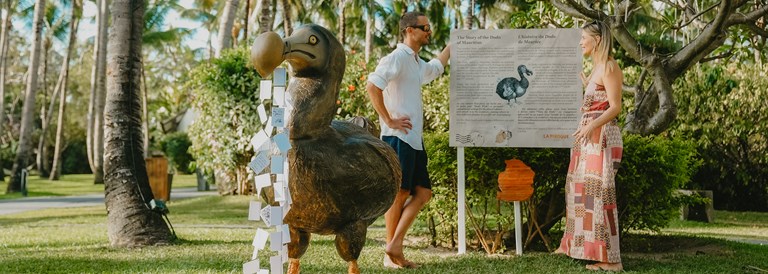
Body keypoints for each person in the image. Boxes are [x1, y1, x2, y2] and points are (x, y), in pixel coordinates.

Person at [365, 11, 450, 269]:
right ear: (409, 30)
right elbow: (373, 85)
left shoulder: (414, 62)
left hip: (413, 139)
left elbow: (435, 68)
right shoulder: (397, 58)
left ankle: (394, 245)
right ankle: (391, 253)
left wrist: (451, 47)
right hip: (397, 138)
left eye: (429, 27)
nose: (429, 31)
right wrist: (389, 120)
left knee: (423, 193)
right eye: (425, 27)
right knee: (400, 193)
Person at [554, 20, 624, 272]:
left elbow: (615, 106)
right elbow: (601, 100)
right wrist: (588, 88)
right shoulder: (595, 68)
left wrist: (590, 127)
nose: (580, 42)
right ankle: (575, 245)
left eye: (584, 37)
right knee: (579, 191)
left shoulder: (609, 65)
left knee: (600, 195)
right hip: (588, 138)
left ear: (597, 39)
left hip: (602, 137)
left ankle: (612, 260)